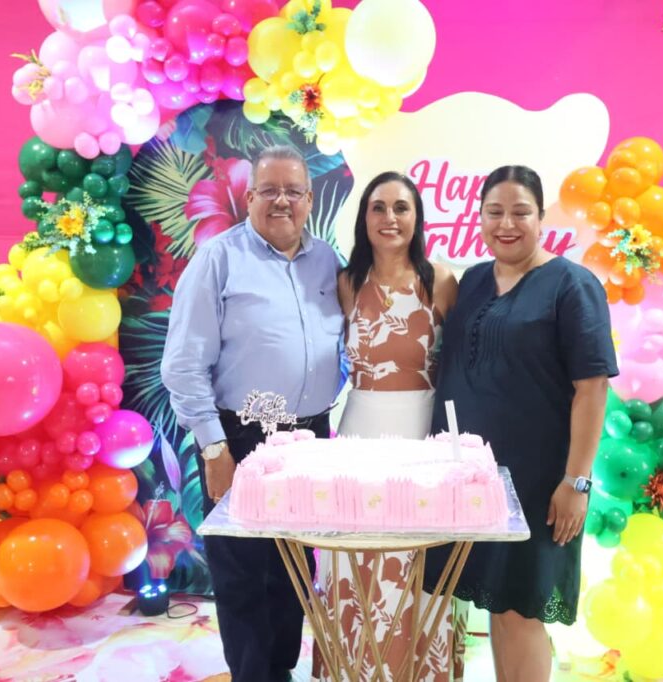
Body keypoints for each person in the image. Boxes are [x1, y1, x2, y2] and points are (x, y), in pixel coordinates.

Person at [424, 165, 617, 681]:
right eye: (494, 212)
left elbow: (593, 388)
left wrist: (576, 482)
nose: (506, 224)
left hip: (537, 481)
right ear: (480, 218)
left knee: (522, 609)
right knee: (498, 604)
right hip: (473, 478)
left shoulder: (571, 286)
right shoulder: (473, 281)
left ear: (540, 217)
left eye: (520, 212)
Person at [161, 145, 343, 682]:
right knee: (242, 571)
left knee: (293, 567)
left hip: (310, 438)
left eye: (293, 191)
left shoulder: (327, 260)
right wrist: (213, 446)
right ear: (249, 197)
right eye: (269, 190)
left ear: (310, 199)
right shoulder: (218, 259)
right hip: (239, 437)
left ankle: (279, 669)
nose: (281, 201)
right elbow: (183, 363)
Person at [314, 172, 460, 680]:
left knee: (416, 559)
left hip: (422, 438)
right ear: (364, 218)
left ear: (417, 217)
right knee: (354, 558)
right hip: (359, 434)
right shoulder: (346, 283)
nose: (390, 218)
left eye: (401, 207)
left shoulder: (441, 281)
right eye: (378, 207)